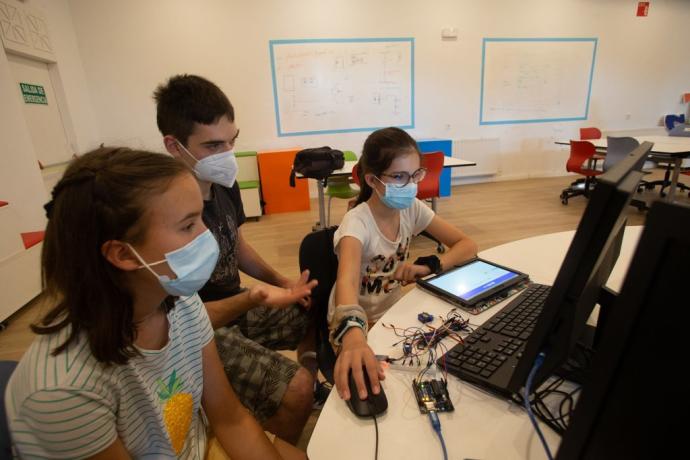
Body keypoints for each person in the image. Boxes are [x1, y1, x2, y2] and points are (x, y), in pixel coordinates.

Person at [4, 147, 304, 459]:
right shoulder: (64, 391)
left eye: (200, 218)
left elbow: (230, 417)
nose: (207, 237)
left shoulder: (182, 304)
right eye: (188, 226)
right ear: (122, 254)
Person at [153, 75, 322, 444]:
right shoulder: (162, 210)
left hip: (236, 305)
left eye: (232, 141)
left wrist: (283, 283)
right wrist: (252, 297)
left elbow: (236, 245)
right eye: (213, 145)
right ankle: (284, 424)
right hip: (201, 326)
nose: (227, 155)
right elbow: (180, 318)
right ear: (173, 145)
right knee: (294, 390)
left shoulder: (223, 184)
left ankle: (308, 391)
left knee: (315, 306)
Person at [329, 127, 478, 402]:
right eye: (398, 177)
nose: (410, 185)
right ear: (373, 180)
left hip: (392, 312)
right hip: (354, 319)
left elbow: (467, 245)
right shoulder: (357, 222)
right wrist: (353, 335)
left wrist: (431, 264)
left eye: (415, 175)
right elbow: (347, 283)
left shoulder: (411, 209)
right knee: (378, 386)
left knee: (429, 370)